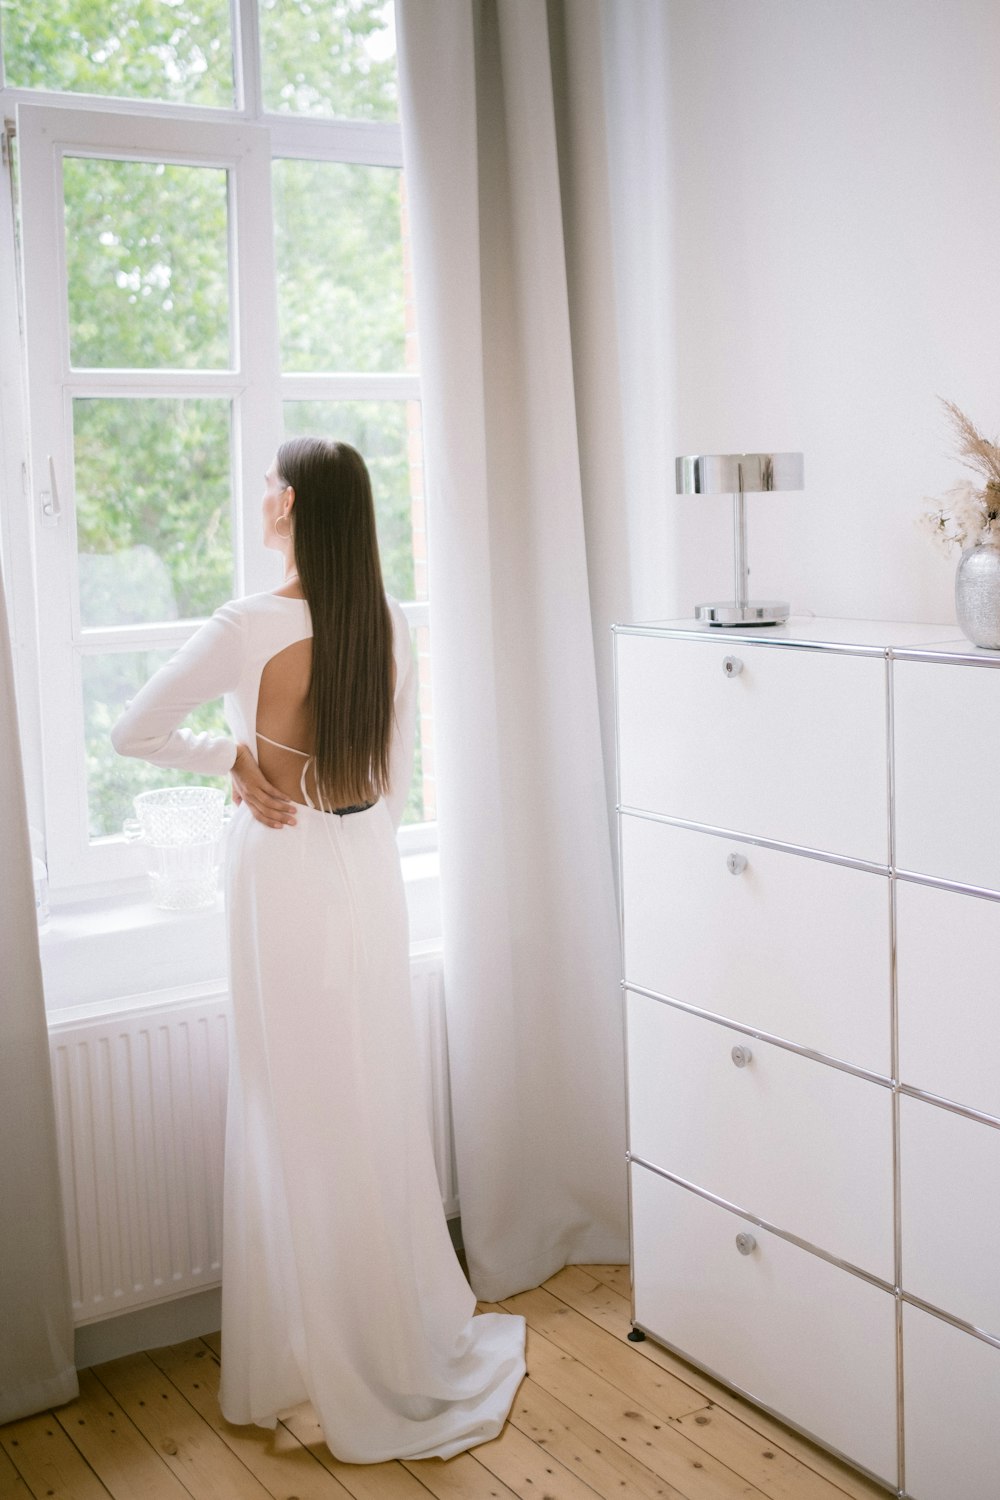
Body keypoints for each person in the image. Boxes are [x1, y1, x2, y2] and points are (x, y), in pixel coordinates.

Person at [111, 436, 526, 1462]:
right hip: (360, 872)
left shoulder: (247, 625)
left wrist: (233, 760)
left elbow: (133, 729)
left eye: (266, 484)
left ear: (289, 503)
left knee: (291, 1106)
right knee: (364, 1101)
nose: (259, 496)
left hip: (282, 870)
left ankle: (313, 1354)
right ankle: (381, 1332)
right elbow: (391, 774)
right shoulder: (381, 621)